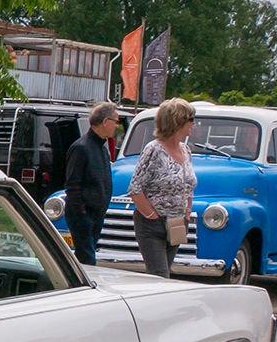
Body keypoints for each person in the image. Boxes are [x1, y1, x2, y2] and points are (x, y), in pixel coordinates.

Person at [128, 97, 196, 278]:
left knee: (166, 273)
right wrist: (153, 216)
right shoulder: (154, 150)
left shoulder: (186, 150)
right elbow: (135, 188)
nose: (193, 123)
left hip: (177, 223)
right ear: (177, 121)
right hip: (153, 225)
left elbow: (188, 184)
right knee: (159, 275)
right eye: (190, 119)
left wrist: (187, 211)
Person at [62, 102, 120, 267]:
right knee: (87, 259)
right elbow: (72, 185)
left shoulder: (102, 148)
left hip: (97, 214)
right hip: (83, 215)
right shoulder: (81, 148)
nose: (117, 125)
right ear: (105, 121)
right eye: (116, 121)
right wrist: (82, 214)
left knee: (87, 256)